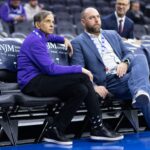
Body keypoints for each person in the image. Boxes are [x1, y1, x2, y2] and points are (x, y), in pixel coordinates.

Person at [17, 10, 123, 145]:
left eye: (53, 22)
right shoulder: (34, 41)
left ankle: (55, 130)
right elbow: (50, 69)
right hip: (31, 83)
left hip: (40, 80)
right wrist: (80, 69)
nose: (52, 25)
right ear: (38, 25)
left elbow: (51, 37)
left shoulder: (41, 35)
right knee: (82, 77)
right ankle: (97, 126)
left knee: (81, 90)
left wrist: (63, 39)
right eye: (48, 21)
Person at [71, 7, 150, 129]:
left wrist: (125, 63)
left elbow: (128, 53)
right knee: (145, 83)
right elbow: (78, 69)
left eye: (97, 17)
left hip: (125, 72)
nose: (96, 20)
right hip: (109, 80)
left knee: (139, 57)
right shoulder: (78, 42)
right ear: (83, 22)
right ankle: (140, 91)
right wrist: (94, 86)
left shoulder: (112, 34)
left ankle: (140, 91)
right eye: (91, 18)